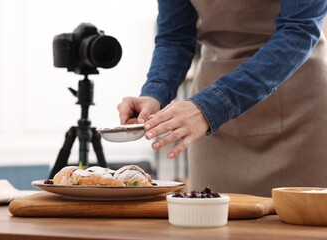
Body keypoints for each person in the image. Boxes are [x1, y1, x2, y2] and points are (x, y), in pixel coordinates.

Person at [117, 0, 327, 197]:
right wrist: (155, 93)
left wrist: (209, 107)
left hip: (298, 110)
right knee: (206, 225)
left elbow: (299, 30)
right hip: (210, 121)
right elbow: (175, 37)